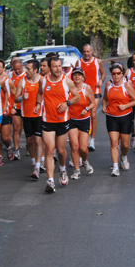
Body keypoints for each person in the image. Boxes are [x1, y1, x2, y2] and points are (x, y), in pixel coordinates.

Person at [35, 57, 80, 193]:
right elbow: (39, 93)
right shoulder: (43, 80)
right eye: (55, 66)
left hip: (62, 120)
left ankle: (62, 169)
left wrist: (67, 103)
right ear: (49, 67)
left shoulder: (66, 81)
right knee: (50, 149)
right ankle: (50, 181)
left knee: (60, 150)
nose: (58, 69)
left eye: (60, 66)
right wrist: (38, 104)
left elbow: (76, 96)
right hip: (47, 120)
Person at [102, 63, 135, 176]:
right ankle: (115, 167)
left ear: (122, 74)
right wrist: (104, 106)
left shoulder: (126, 85)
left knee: (125, 145)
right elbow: (104, 99)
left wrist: (125, 106)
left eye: (118, 73)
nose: (116, 76)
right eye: (114, 74)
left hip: (125, 117)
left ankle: (124, 156)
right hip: (112, 117)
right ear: (111, 75)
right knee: (113, 142)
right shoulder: (109, 85)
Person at [14, 59, 44, 179]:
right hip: (26, 115)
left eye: (28, 69)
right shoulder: (22, 81)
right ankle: (33, 162)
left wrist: (40, 104)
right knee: (30, 141)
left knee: (38, 140)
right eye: (25, 68)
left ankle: (37, 165)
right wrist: (21, 97)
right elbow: (15, 98)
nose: (25, 71)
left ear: (35, 70)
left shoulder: (42, 80)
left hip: (39, 115)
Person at [74, 44, 105, 151]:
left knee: (92, 113)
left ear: (91, 51)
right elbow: (75, 75)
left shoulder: (98, 62)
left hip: (95, 91)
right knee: (82, 113)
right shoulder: (79, 62)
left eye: (88, 51)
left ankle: (92, 139)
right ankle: (83, 136)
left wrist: (101, 80)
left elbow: (103, 74)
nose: (86, 54)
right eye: (84, 52)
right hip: (83, 91)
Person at [67, 67, 96, 180]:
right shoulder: (68, 89)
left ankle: (84, 160)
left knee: (83, 148)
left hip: (84, 120)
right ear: (72, 77)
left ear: (83, 77)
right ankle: (76, 170)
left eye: (79, 75)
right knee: (74, 146)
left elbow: (93, 103)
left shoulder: (87, 88)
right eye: (75, 75)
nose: (77, 77)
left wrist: (87, 108)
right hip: (71, 120)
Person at [0, 59, 14, 165]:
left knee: (5, 137)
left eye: (0, 66)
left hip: (4, 111)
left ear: (3, 69)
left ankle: (9, 147)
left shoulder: (7, 81)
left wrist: (13, 106)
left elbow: (15, 94)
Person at [8, 57, 26, 160]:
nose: (17, 71)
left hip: (26, 106)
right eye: (15, 69)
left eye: (19, 68)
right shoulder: (10, 76)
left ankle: (29, 145)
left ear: (22, 67)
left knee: (24, 129)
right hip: (15, 106)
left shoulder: (26, 75)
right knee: (16, 128)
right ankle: (16, 149)